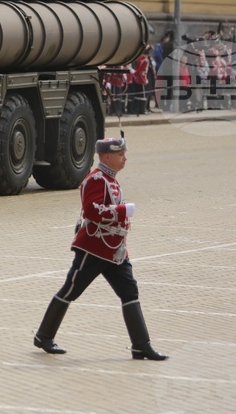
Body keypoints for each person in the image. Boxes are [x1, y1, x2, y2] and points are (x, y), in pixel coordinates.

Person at [33, 137, 168, 361]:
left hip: (114, 250)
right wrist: (123, 210)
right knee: (71, 290)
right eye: (120, 155)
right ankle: (43, 336)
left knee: (130, 292)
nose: (125, 158)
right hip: (94, 248)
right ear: (106, 157)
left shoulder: (111, 179)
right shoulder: (96, 179)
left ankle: (141, 346)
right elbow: (92, 211)